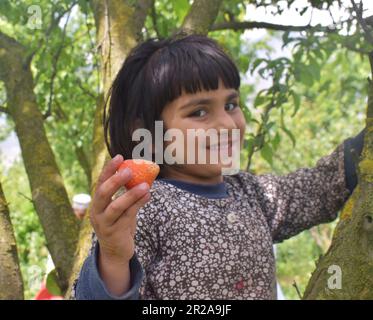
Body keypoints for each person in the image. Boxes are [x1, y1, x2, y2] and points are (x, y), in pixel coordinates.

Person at [71, 34, 364, 300]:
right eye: (199, 112)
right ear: (149, 130)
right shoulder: (144, 207)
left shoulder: (250, 192)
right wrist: (112, 257)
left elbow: (318, 188)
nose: (226, 123)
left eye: (231, 105)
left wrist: (363, 147)